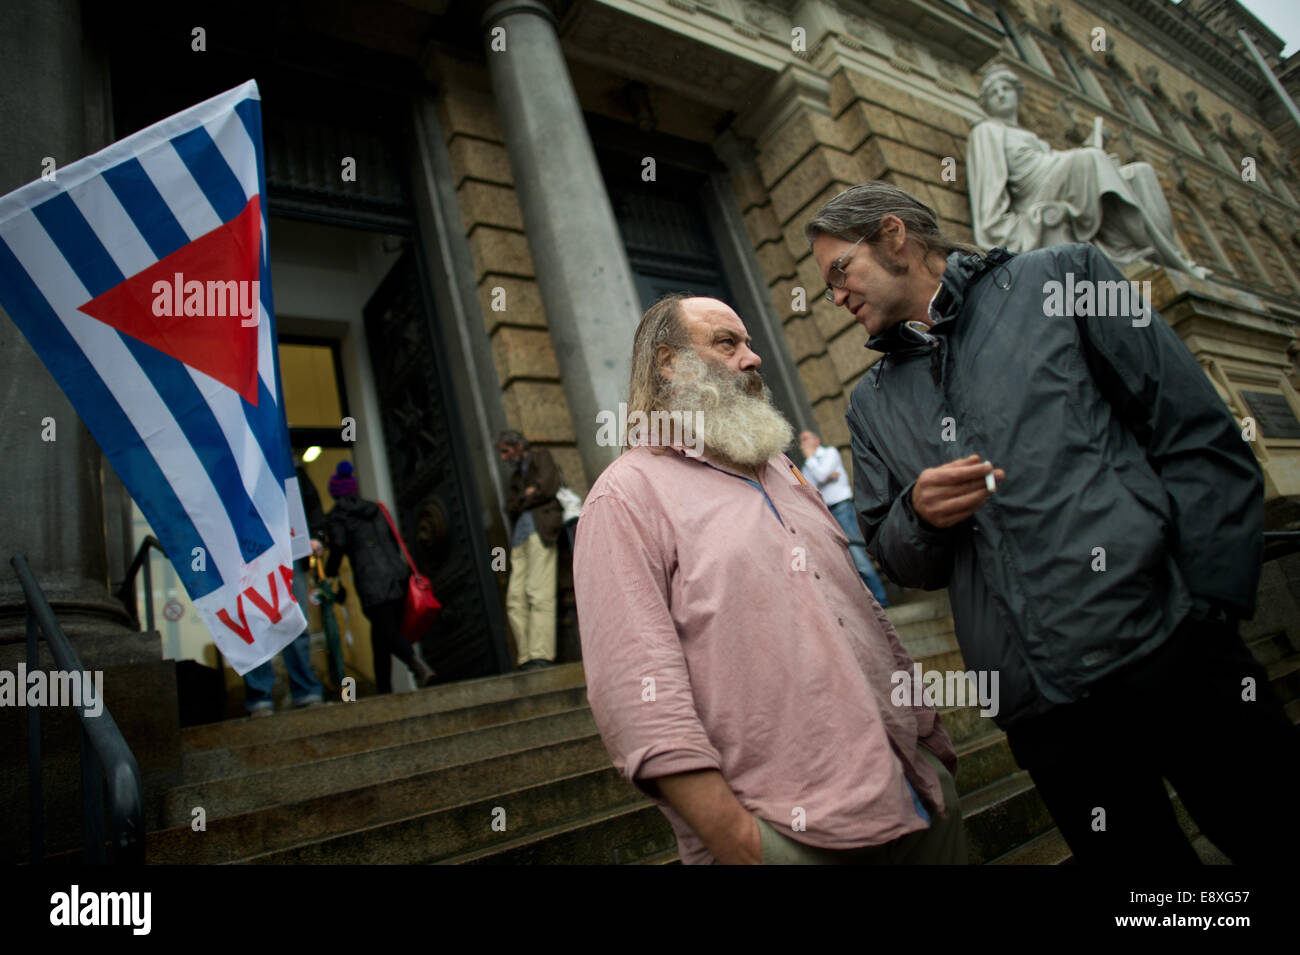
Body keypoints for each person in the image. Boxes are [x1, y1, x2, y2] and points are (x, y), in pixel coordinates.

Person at [806, 180, 1298, 863]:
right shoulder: (870, 404)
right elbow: (895, 559)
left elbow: (1195, 436)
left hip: (1176, 650)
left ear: (894, 236)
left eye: (839, 272)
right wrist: (918, 514)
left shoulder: (1067, 275)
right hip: (1047, 712)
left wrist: (1207, 607)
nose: (834, 298)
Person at [572, 293, 965, 865]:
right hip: (786, 830)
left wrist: (930, 748)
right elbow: (635, 688)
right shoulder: (625, 494)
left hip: (916, 795)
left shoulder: (784, 471)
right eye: (727, 343)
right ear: (668, 362)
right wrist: (739, 841)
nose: (753, 358)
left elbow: (862, 611)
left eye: (751, 343)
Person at [966, 66, 1206, 277]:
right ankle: (1122, 244)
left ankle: (1165, 257)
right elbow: (991, 188)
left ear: (1017, 94)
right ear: (986, 103)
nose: (1000, 94)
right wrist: (1000, 229)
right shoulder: (987, 131)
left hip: (1055, 179)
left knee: (1139, 172)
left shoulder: (1029, 135)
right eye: (993, 92)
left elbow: (1053, 161)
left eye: (1005, 88)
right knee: (1090, 157)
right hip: (1035, 193)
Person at [324, 461, 435, 693]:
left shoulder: (338, 517)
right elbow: (395, 541)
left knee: (388, 632)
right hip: (397, 577)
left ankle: (418, 666)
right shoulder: (376, 509)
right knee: (380, 638)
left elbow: (338, 546)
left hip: (372, 583)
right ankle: (384, 691)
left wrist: (329, 572)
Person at [241, 460, 326, 716]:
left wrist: (316, 536)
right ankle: (261, 697)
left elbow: (311, 504)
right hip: (249, 556)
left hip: (288, 552)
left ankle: (301, 692)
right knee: (256, 625)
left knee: (294, 622)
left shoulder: (289, 465)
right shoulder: (232, 461)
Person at [798, 429, 890, 607]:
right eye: (801, 441)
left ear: (817, 440)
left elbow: (820, 476)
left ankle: (881, 600)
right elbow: (808, 489)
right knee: (840, 560)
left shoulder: (830, 453)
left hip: (841, 508)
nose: (804, 443)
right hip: (824, 513)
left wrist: (812, 462)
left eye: (806, 438)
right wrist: (822, 475)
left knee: (858, 556)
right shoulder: (806, 467)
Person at [497, 430, 563, 670]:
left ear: (518, 446)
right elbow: (509, 507)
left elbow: (547, 487)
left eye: (505, 451)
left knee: (538, 591)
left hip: (540, 530)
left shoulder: (540, 456)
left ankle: (541, 654)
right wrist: (528, 494)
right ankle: (525, 657)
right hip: (518, 540)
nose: (503, 457)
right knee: (515, 598)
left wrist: (528, 496)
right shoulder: (516, 477)